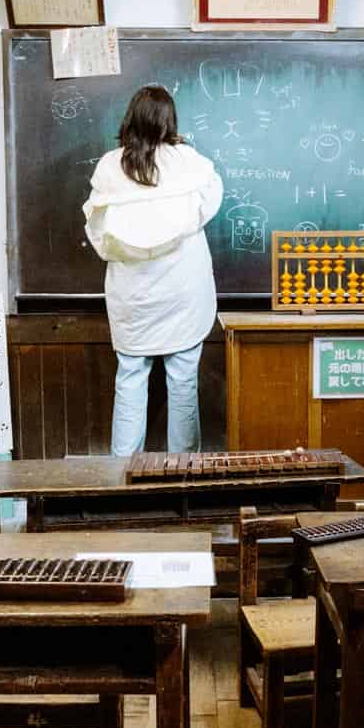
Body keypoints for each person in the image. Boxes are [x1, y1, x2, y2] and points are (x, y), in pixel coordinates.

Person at [83, 85, 224, 457]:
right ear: (168, 122)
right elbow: (208, 204)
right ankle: (185, 471)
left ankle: (120, 474)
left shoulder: (109, 166)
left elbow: (97, 232)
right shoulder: (188, 162)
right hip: (183, 291)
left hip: (133, 296)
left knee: (130, 380)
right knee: (183, 382)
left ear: (131, 118)